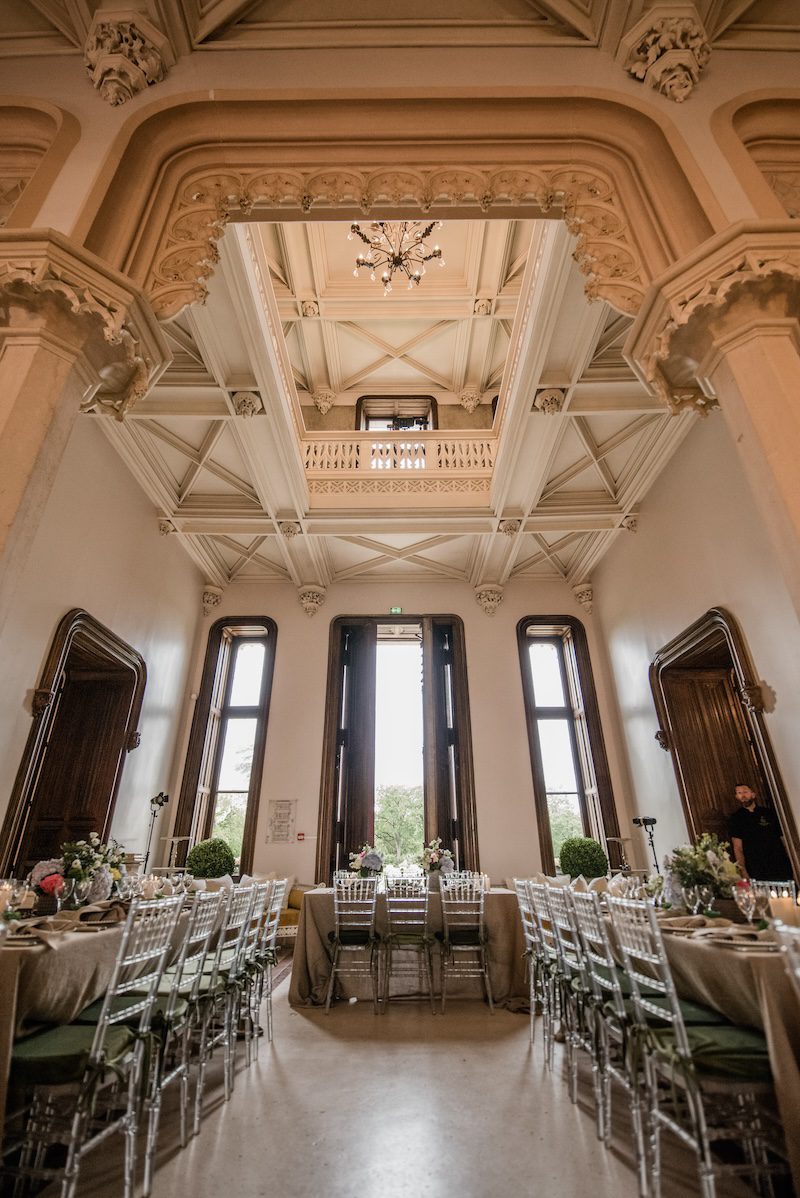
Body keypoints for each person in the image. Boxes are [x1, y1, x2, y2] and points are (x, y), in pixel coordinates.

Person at [727, 784, 793, 882]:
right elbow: (737, 847)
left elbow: (783, 838)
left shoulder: (768, 813)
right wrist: (743, 871)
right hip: (756, 865)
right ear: (737, 797)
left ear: (753, 794)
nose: (743, 795)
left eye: (745, 792)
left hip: (778, 861)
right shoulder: (736, 818)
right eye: (739, 793)